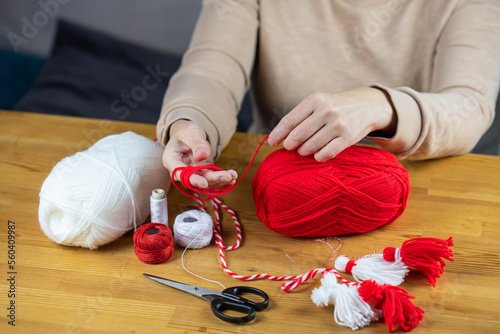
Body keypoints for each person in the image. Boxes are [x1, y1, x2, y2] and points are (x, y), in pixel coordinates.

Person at [157, 0, 500, 189]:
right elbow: (212, 66)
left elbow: (469, 105)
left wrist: (384, 105)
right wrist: (190, 122)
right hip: (283, 184)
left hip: (416, 187)